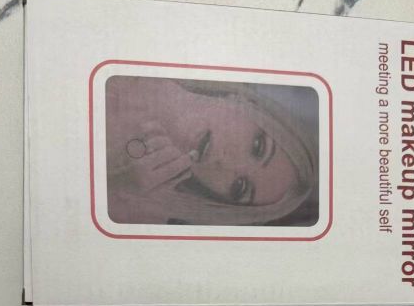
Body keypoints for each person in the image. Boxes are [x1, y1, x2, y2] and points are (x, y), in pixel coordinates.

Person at [105, 76, 318, 226]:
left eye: (239, 187)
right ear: (247, 105)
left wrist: (115, 184)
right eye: (257, 147)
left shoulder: (133, 210)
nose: (228, 162)